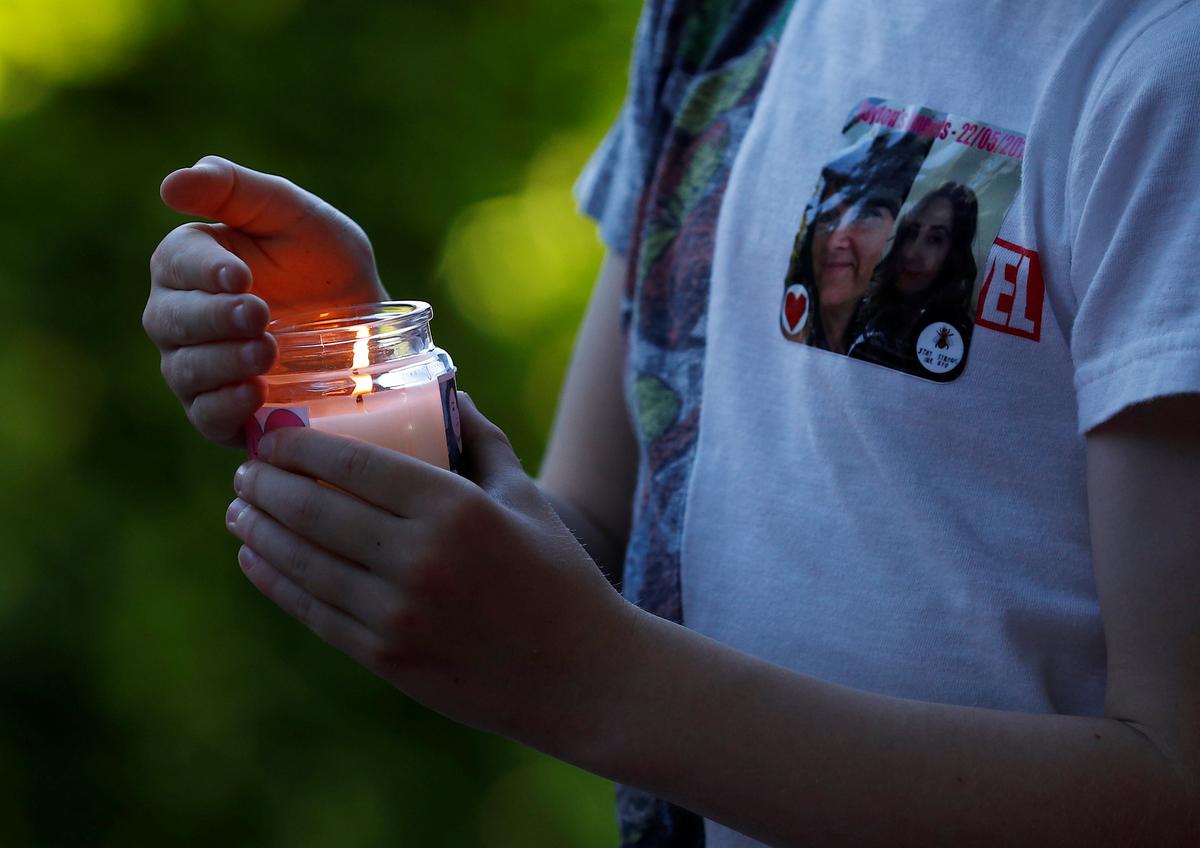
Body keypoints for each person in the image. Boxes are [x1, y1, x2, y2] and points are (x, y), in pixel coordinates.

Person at [144, 2, 1200, 846]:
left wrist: (596, 680)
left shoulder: (1162, 63)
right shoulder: (723, 25)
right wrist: (361, 372)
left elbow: (1174, 781)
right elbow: (599, 530)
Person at [847, 182, 979, 377]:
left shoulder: (957, 338)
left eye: (935, 239)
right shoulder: (863, 301)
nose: (911, 253)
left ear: (954, 254)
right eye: (912, 233)